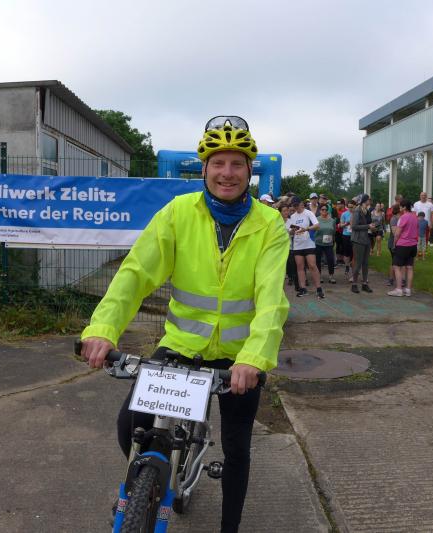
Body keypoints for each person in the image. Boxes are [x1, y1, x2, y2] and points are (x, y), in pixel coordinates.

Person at [79, 116, 289, 533]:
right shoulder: (178, 213)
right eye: (218, 163)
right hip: (181, 347)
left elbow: (272, 300)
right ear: (204, 168)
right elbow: (135, 273)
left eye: (237, 164)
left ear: (250, 171)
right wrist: (102, 329)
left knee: (237, 450)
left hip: (238, 360)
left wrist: (254, 358)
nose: (227, 172)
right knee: (130, 426)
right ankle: (149, 482)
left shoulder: (269, 225)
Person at [286, 197, 324, 299]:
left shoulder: (308, 213)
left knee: (312, 265)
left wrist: (306, 229)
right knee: (300, 267)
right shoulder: (292, 217)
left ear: (301, 203)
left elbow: (317, 226)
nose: (295, 207)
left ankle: (319, 288)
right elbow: (290, 232)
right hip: (297, 245)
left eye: (296, 205)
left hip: (308, 243)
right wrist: (292, 231)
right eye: (293, 205)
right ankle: (303, 288)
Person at [389, 200, 418, 297]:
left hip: (403, 244)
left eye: (401, 206)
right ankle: (408, 289)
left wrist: (394, 244)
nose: (400, 208)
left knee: (396, 266)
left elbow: (397, 233)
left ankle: (398, 289)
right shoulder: (414, 216)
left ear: (404, 207)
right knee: (409, 267)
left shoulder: (403, 217)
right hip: (413, 244)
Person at [350, 194, 375, 293]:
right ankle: (354, 284)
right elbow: (354, 226)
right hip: (358, 240)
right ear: (365, 200)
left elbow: (368, 223)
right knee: (358, 262)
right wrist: (368, 226)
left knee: (365, 262)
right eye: (369, 199)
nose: (370, 201)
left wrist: (373, 226)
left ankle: (364, 283)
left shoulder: (367, 211)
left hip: (366, 239)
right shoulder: (357, 210)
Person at [315, 205, 337, 284]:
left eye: (325, 209)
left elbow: (334, 231)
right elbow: (313, 230)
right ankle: (319, 276)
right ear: (320, 211)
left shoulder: (332, 220)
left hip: (329, 243)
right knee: (318, 260)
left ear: (328, 211)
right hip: (318, 242)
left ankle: (331, 276)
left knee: (330, 259)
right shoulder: (316, 219)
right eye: (322, 209)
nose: (324, 211)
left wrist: (333, 240)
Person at [340, 198, 355, 280]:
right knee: (346, 253)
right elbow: (341, 225)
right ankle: (347, 266)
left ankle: (353, 270)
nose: (350, 208)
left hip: (354, 236)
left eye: (352, 207)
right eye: (349, 207)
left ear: (354, 206)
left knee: (353, 253)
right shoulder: (344, 214)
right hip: (346, 235)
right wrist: (347, 223)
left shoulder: (357, 214)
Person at [387, 204, 401, 285]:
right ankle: (391, 279)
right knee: (394, 261)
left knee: (397, 262)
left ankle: (395, 279)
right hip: (393, 243)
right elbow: (394, 232)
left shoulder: (400, 218)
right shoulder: (394, 219)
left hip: (399, 243)